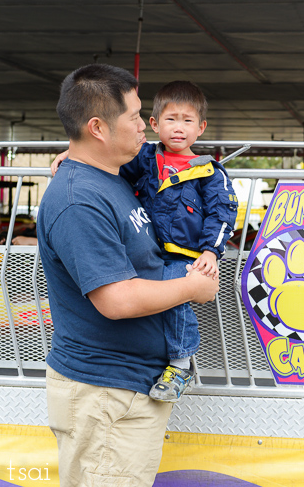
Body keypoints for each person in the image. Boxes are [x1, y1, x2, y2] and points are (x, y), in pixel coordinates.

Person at [38, 64, 219, 487]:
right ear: (98, 128)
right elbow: (116, 300)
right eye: (135, 116)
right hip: (106, 395)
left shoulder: (113, 177)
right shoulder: (79, 200)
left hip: (128, 390)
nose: (145, 126)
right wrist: (192, 287)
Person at [52, 80, 238, 402]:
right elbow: (105, 153)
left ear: (201, 127)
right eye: (170, 119)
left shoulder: (209, 171)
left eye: (187, 121)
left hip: (183, 253)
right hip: (152, 246)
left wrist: (211, 251)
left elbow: (223, 212)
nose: (178, 128)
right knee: (161, 293)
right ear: (155, 124)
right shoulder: (147, 159)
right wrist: (72, 153)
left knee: (176, 300)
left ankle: (181, 362)